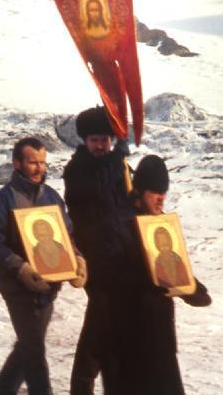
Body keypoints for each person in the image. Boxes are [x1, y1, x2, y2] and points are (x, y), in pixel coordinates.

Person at [0, 135, 86, 395]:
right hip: (18, 289)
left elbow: (66, 236)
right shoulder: (2, 201)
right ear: (17, 163)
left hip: (48, 288)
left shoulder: (52, 197)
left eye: (42, 162)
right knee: (34, 353)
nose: (39, 168)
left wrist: (76, 260)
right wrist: (21, 269)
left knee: (27, 348)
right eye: (33, 163)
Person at [114, 154, 210, 395]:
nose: (161, 198)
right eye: (155, 192)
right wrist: (145, 282)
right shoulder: (120, 224)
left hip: (161, 334)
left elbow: (174, 267)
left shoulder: (160, 226)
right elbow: (110, 276)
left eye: (164, 192)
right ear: (139, 192)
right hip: (130, 336)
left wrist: (193, 289)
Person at [64, 105, 134, 394]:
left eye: (106, 139)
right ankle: (81, 388)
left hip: (121, 262)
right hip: (96, 263)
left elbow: (130, 208)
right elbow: (98, 188)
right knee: (97, 334)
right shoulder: (77, 170)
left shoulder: (119, 168)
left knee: (113, 334)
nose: (101, 145)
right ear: (85, 140)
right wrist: (118, 158)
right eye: (95, 140)